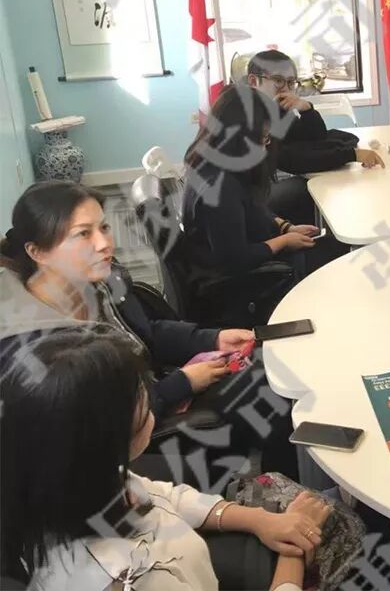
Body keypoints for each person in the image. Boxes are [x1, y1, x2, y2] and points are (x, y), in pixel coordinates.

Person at [0, 180, 299, 478]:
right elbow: (99, 427)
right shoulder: (37, 348)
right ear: (37, 252)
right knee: (269, 392)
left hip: (155, 384)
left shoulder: (97, 281)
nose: (104, 244)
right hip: (131, 434)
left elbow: (146, 331)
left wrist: (213, 339)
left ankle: (278, 485)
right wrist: (182, 383)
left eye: (103, 227)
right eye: (83, 234)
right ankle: (277, 488)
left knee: (272, 368)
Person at [0, 325, 330, 589]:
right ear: (107, 442)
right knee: (340, 533)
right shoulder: (137, 578)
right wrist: (294, 553)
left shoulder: (65, 483)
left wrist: (260, 520)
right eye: (144, 408)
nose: (151, 407)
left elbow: (159, 494)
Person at [183, 84, 336, 316]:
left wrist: (285, 226)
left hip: (242, 263)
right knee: (337, 258)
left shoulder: (211, 161)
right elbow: (235, 259)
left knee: (332, 247)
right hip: (238, 287)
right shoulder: (220, 186)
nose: (266, 146)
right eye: (263, 138)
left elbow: (252, 207)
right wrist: (284, 241)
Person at [246, 49, 384, 227]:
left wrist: (306, 109)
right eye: (278, 81)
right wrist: (352, 155)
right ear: (253, 81)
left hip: (265, 187)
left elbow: (315, 138)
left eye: (291, 82)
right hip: (249, 201)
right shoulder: (248, 115)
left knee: (326, 185)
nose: (286, 89)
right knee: (314, 188)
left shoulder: (275, 109)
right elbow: (292, 160)